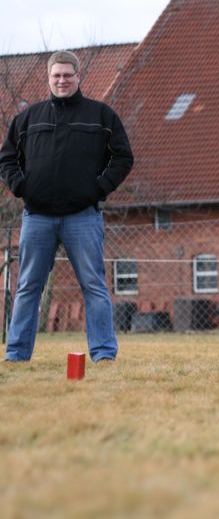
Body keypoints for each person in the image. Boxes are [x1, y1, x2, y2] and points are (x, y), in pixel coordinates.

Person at [1, 50, 133, 363]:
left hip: (82, 216)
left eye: (67, 75)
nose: (62, 80)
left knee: (94, 285)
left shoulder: (101, 116)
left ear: (78, 76)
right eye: (56, 75)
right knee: (27, 287)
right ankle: (16, 354)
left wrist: (99, 188)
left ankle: (103, 354)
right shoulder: (27, 119)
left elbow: (123, 157)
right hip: (37, 217)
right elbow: (6, 159)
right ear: (48, 78)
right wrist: (21, 187)